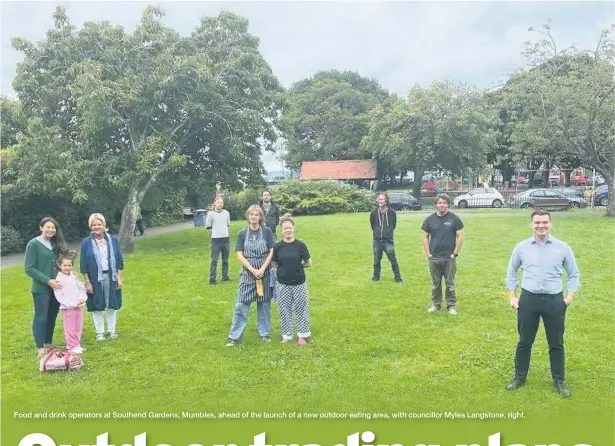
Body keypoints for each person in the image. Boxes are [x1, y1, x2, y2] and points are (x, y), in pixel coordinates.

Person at [505, 209, 580, 398]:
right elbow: (511, 272)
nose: (541, 226)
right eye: (537, 222)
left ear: (550, 223)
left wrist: (569, 298)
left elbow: (573, 274)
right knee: (524, 341)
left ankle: (559, 380)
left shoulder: (562, 248)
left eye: (545, 222)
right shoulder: (522, 247)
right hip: (528, 299)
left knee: (556, 343)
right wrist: (512, 296)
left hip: (554, 300)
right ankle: (519, 377)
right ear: (532, 224)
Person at [226, 205, 275, 346]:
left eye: (256, 215)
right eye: (251, 214)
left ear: (260, 217)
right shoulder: (242, 233)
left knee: (264, 304)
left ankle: (264, 334)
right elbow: (239, 254)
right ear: (248, 216)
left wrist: (262, 268)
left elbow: (271, 251)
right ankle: (234, 337)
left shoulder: (266, 231)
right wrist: (252, 270)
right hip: (248, 274)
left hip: (264, 273)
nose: (254, 217)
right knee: (241, 304)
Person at [24, 217, 69, 358]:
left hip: (56, 288)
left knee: (51, 317)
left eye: (53, 228)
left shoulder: (55, 244)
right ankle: (40, 348)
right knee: (41, 317)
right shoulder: (33, 244)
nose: (51, 230)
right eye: (48, 227)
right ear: (41, 227)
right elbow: (29, 268)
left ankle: (48, 345)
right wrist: (47, 281)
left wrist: (66, 272)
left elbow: (58, 264)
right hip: (41, 288)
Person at [80, 213, 124, 341]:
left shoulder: (113, 240)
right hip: (94, 278)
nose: (96, 227)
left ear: (104, 225)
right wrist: (87, 282)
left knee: (112, 304)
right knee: (97, 304)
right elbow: (83, 265)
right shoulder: (86, 242)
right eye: (94, 225)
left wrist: (119, 278)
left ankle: (112, 331)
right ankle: (100, 332)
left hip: (111, 277)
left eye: (99, 224)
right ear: (90, 227)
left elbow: (119, 261)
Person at [272, 214, 312, 345]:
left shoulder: (300, 245)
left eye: (289, 228)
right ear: (281, 230)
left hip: (299, 282)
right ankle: (287, 336)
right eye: (285, 228)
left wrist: (298, 266)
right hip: (283, 283)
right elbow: (274, 263)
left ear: (293, 228)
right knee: (284, 310)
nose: (287, 230)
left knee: (301, 308)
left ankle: (302, 335)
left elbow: (308, 262)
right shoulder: (278, 246)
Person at [421, 193, 464, 315]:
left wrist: (454, 254)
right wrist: (428, 254)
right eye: (440, 203)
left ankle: (451, 306)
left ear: (448, 205)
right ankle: (436, 305)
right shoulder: (429, 220)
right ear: (436, 204)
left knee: (450, 284)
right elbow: (425, 237)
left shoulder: (454, 219)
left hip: (449, 258)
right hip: (434, 258)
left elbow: (460, 236)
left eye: (444, 203)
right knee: (436, 284)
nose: (442, 205)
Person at [53, 252, 87, 355]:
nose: (67, 268)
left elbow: (81, 288)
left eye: (69, 265)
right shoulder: (58, 280)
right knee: (70, 327)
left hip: (79, 306)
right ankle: (71, 346)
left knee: (78, 325)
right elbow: (59, 296)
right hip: (68, 308)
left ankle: (77, 344)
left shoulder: (73, 276)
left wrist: (82, 298)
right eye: (65, 265)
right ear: (60, 266)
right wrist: (71, 303)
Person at [369, 192, 402, 283]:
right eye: (379, 199)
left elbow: (393, 225)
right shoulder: (373, 213)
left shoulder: (392, 213)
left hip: (388, 241)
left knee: (393, 260)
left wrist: (387, 233)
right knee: (376, 260)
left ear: (386, 201)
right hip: (377, 241)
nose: (380, 201)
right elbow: (372, 225)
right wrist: (377, 232)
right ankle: (376, 277)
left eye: (382, 199)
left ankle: (398, 277)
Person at [205, 196, 231, 285]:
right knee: (214, 261)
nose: (220, 204)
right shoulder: (210, 214)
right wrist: (213, 237)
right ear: (215, 203)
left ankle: (225, 276)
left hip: (226, 240)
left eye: (222, 203)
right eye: (219, 202)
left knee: (225, 260)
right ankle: (212, 279)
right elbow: (208, 228)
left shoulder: (226, 213)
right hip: (216, 240)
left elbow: (228, 225)